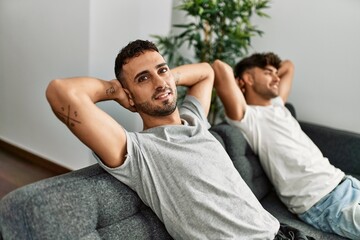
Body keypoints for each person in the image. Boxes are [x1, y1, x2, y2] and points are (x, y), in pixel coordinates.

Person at [46, 39, 290, 239]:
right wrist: (117, 90)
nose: (160, 82)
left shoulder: (194, 121)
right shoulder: (137, 151)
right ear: (130, 96)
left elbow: (206, 71)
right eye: (143, 78)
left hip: (281, 232)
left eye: (161, 70)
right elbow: (61, 92)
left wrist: (166, 78)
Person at [212, 52, 360, 240]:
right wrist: (239, 82)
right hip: (324, 202)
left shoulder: (277, 105)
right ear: (247, 78)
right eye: (268, 72)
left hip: (345, 182)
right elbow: (219, 66)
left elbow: (289, 65)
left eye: (276, 73)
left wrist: (268, 76)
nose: (276, 78)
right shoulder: (249, 118)